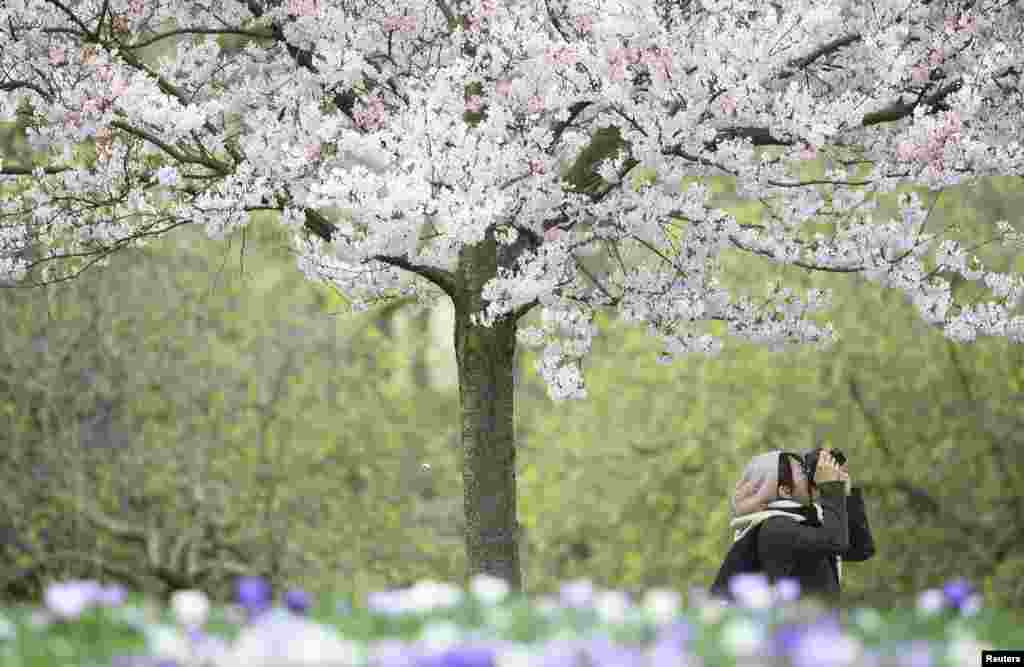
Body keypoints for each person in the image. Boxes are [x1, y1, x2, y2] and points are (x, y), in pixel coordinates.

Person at [710, 448, 875, 603]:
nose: (811, 475)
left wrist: (844, 491)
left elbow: (860, 548)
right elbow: (836, 541)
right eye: (803, 472)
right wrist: (831, 488)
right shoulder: (774, 528)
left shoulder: (806, 521)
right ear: (785, 491)